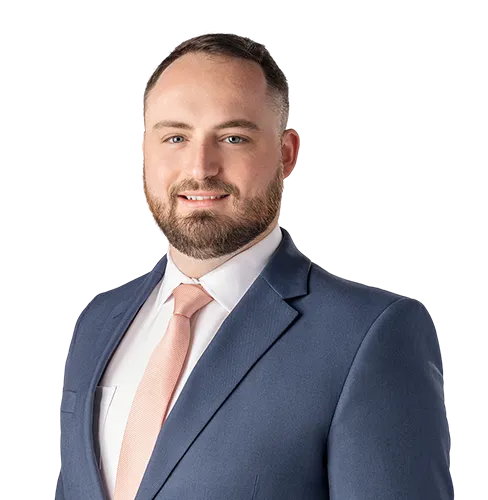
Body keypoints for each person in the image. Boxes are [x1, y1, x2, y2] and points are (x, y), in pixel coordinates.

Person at [56, 32, 455, 499]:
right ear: (147, 150)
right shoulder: (98, 321)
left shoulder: (370, 335)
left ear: (286, 154)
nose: (200, 168)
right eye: (176, 137)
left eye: (233, 137)